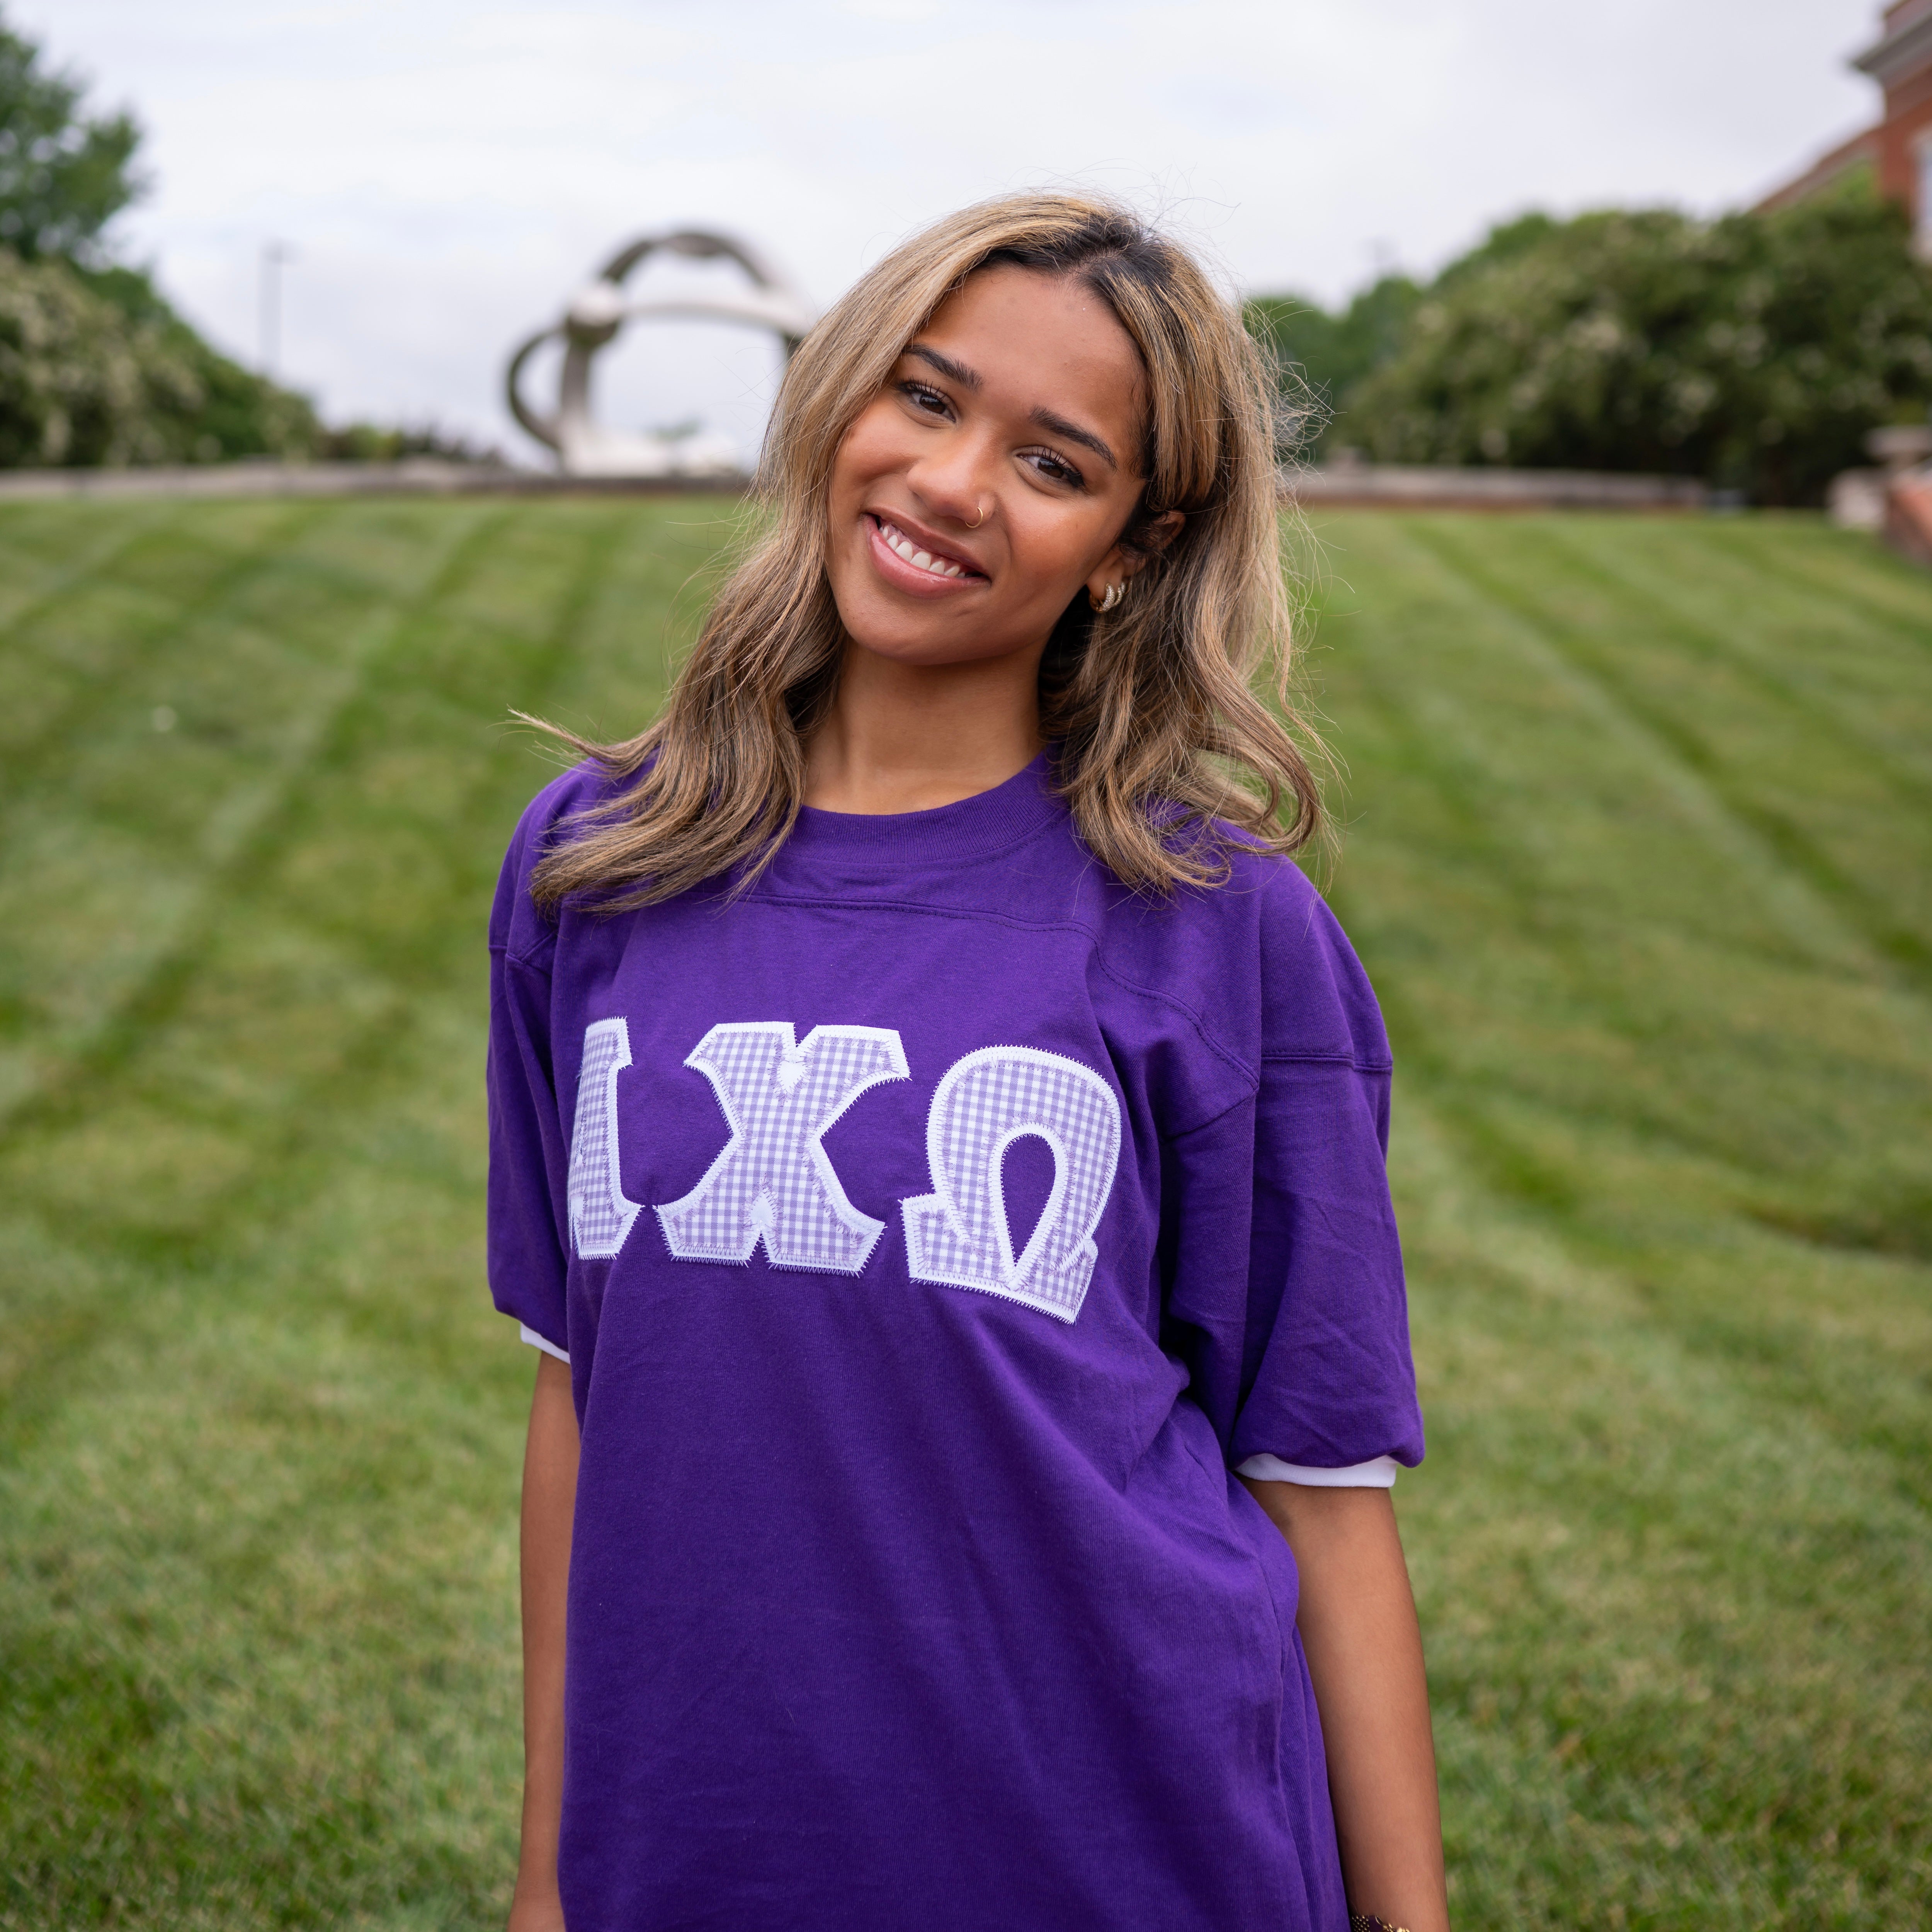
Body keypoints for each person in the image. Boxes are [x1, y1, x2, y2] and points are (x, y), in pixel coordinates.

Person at [489, 192, 1448, 1932]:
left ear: (1131, 547)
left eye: (1052, 458)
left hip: (1130, 1849)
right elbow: (576, 1391)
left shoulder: (1216, 923)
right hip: (700, 1847)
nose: (949, 482)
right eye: (925, 399)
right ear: (843, 396)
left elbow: (1318, 1485)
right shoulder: (596, 865)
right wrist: (552, 1873)